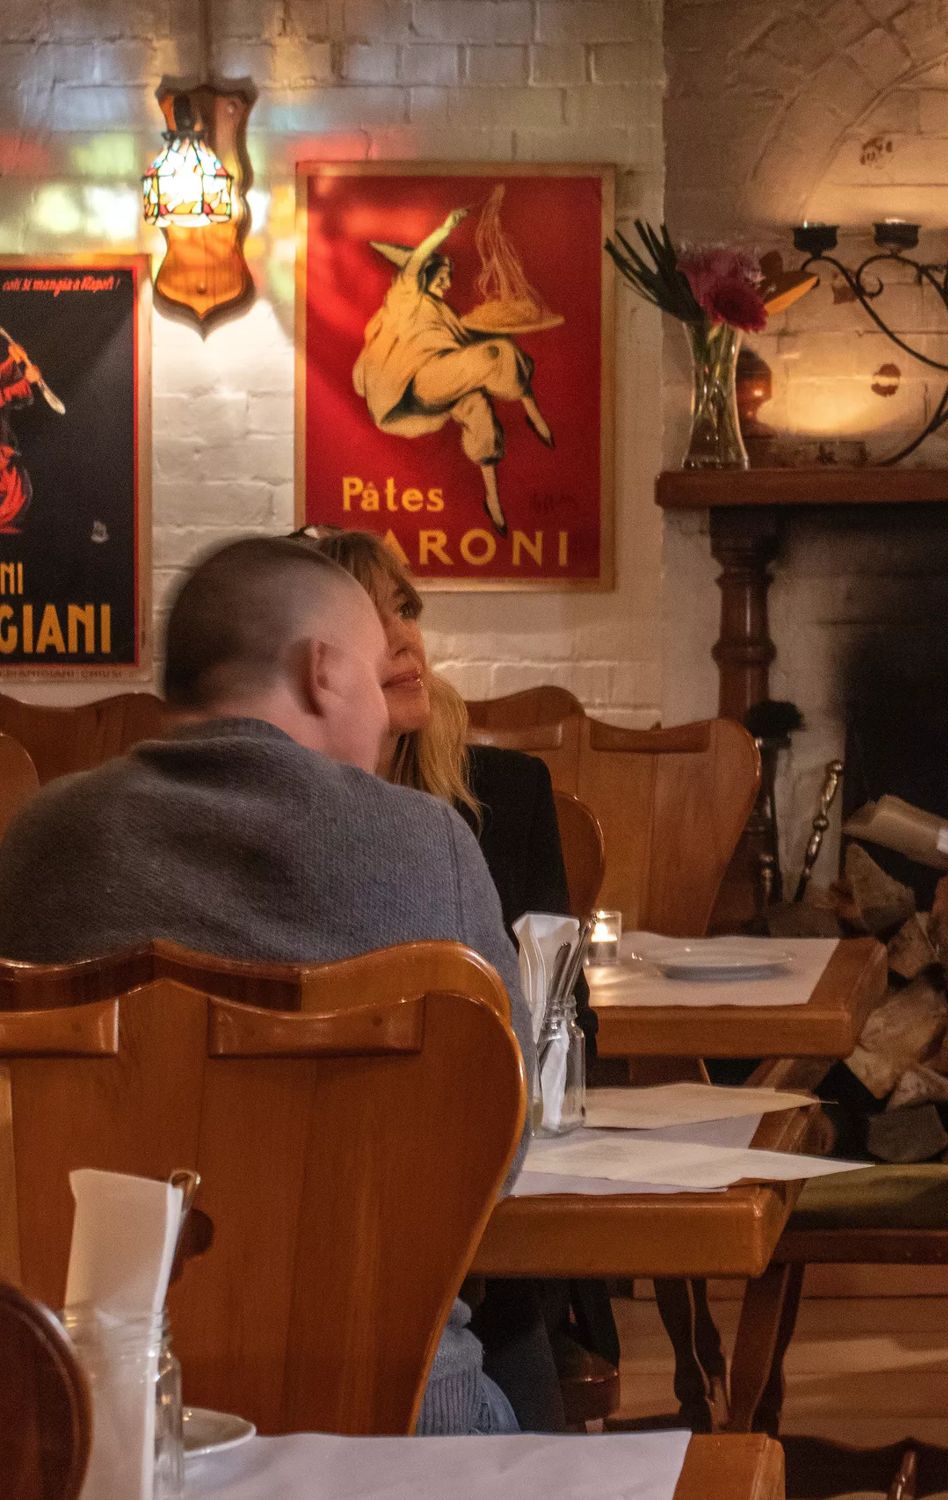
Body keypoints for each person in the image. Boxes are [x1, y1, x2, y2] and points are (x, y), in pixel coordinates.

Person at [0, 535, 534, 1437]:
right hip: (393, 1427)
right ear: (323, 672)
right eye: (372, 671)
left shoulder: (36, 838)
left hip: (82, 1424)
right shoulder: (426, 843)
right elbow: (500, 1153)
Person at [293, 524, 615, 1431]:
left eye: (407, 611)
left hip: (490, 1196)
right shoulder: (284, 819)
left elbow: (559, 1020)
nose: (405, 642)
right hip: (344, 1198)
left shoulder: (502, 795)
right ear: (317, 662)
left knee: (482, 1281)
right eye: (372, 619)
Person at [355, 206, 554, 539]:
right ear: (424, 277)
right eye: (442, 276)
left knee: (478, 406)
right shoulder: (407, 298)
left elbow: (461, 346)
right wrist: (444, 229)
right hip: (419, 383)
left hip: (440, 386)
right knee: (497, 353)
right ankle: (534, 413)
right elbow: (416, 261)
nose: (448, 282)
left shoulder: (443, 311)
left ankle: (493, 501)